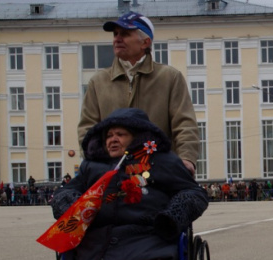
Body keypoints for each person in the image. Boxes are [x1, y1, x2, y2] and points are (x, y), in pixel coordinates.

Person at [51, 108, 208, 260]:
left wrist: (172, 216)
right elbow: (65, 191)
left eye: (120, 134)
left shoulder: (162, 161)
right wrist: (72, 206)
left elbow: (192, 193)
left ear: (137, 137)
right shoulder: (92, 165)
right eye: (108, 135)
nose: (112, 139)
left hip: (145, 233)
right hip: (99, 235)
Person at [78, 11, 199, 176]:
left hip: (159, 171)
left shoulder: (169, 78)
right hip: (111, 173)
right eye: (115, 34)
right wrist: (98, 162)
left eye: (125, 34)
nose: (117, 39)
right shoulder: (98, 82)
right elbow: (88, 129)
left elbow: (184, 123)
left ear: (145, 42)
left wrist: (186, 158)